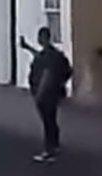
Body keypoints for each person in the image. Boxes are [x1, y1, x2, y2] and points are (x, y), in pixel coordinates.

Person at [21, 27, 72, 163]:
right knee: (52, 120)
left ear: (43, 38)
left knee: (48, 122)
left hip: (46, 95)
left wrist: (39, 94)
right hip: (55, 93)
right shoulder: (54, 54)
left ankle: (49, 151)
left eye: (39, 37)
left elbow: (47, 75)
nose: (38, 39)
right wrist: (27, 47)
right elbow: (39, 56)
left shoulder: (48, 57)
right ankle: (55, 147)